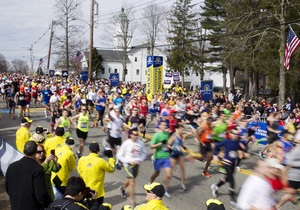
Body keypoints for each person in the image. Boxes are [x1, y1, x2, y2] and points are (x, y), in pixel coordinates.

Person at [5, 141, 52, 210]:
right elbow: (41, 195)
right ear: (35, 152)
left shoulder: (12, 167)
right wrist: (49, 204)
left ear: (24, 151)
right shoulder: (37, 169)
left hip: (16, 205)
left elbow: (7, 187)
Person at [211, 127, 246, 202]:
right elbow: (216, 146)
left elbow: (243, 149)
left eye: (237, 134)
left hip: (233, 163)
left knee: (227, 177)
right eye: (234, 134)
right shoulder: (227, 141)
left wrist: (243, 147)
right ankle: (233, 200)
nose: (236, 135)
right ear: (230, 134)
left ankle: (216, 186)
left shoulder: (238, 142)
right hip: (226, 162)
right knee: (232, 180)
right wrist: (215, 155)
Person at [77, 142, 115, 206]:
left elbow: (79, 171)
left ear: (89, 150)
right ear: (98, 150)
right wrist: (110, 157)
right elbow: (112, 169)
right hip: (97, 193)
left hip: (84, 191)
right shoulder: (101, 161)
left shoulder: (82, 159)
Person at [117, 128, 147, 207]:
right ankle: (133, 203)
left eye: (137, 134)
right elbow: (119, 155)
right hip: (128, 165)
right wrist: (128, 161)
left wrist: (139, 160)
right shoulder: (126, 143)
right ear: (130, 135)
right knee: (132, 183)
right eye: (134, 134)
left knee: (130, 181)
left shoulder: (140, 143)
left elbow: (144, 153)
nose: (136, 136)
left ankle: (122, 189)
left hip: (136, 165)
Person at [149, 121, 172, 198]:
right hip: (158, 157)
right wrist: (159, 144)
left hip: (166, 157)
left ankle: (164, 189)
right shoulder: (157, 135)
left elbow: (166, 144)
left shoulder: (167, 134)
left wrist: (170, 147)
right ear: (160, 126)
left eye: (166, 125)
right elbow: (151, 146)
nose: (165, 126)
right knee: (156, 173)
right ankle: (150, 183)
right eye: (163, 125)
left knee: (169, 174)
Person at [168, 124, 187, 190]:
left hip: (179, 153)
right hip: (173, 154)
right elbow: (168, 144)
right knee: (171, 169)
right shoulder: (173, 136)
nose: (182, 130)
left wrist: (183, 147)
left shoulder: (181, 136)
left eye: (182, 129)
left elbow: (180, 143)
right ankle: (166, 186)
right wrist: (171, 147)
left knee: (182, 167)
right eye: (181, 129)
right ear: (177, 129)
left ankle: (182, 184)